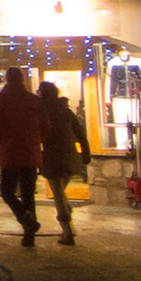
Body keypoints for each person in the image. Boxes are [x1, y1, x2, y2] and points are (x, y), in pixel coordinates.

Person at [0, 66, 48, 246]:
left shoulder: (1, 100)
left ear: (6, 79)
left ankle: (27, 222)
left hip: (10, 152)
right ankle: (29, 234)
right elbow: (45, 125)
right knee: (28, 194)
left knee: (7, 192)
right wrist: (37, 140)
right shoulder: (33, 100)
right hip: (29, 152)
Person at [35, 80, 91, 246]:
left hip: (53, 157)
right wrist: (85, 153)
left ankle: (67, 231)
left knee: (58, 194)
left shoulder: (43, 112)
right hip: (69, 157)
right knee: (60, 192)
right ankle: (69, 226)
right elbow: (80, 133)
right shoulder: (65, 111)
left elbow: (37, 134)